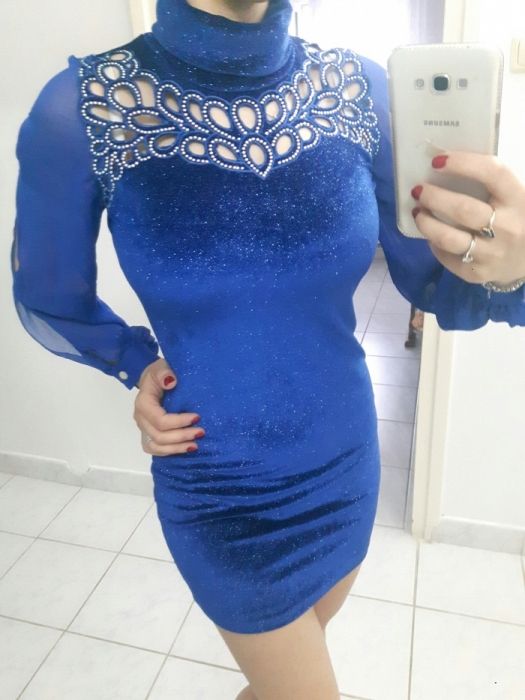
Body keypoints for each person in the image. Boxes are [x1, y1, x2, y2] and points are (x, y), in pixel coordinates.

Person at [10, 0, 525, 697]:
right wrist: (137, 363)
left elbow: (433, 283)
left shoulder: (361, 90)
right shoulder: (85, 108)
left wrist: (511, 267)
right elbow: (49, 293)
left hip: (343, 459)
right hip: (218, 484)